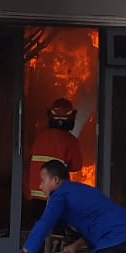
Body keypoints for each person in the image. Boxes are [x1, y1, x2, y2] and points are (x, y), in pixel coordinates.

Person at [23, 98, 83, 232]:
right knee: (56, 233)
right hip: (55, 195)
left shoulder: (39, 137)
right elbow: (77, 166)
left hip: (35, 196)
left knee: (38, 231)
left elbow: (27, 161)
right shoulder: (70, 141)